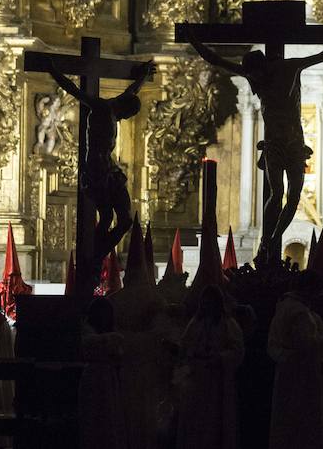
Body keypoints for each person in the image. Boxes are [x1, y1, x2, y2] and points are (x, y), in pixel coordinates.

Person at [190, 40, 323, 265]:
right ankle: (268, 242)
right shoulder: (257, 74)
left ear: (262, 67)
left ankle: (272, 239)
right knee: (277, 194)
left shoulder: (288, 68)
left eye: (254, 75)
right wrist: (193, 41)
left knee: (293, 196)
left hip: (294, 145)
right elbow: (217, 60)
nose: (254, 82)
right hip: (275, 145)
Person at [48, 59, 155, 288]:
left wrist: (143, 76)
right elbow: (73, 89)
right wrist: (53, 71)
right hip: (96, 168)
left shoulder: (116, 108)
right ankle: (94, 259)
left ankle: (97, 254)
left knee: (125, 220)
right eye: (127, 115)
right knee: (106, 216)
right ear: (125, 107)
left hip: (109, 167)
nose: (125, 119)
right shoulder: (101, 107)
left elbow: (132, 90)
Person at [268, 271, 323, 449]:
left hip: (289, 368)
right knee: (302, 419)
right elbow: (307, 344)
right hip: (301, 372)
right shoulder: (299, 312)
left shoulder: (286, 306)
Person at [175, 285, 245, 449]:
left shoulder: (228, 324)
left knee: (215, 421)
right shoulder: (195, 322)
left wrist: (220, 358)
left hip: (216, 381)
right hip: (197, 379)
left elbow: (237, 350)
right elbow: (185, 345)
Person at [79, 298, 126, 449]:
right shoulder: (89, 330)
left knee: (108, 416)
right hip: (96, 376)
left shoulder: (103, 332)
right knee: (95, 416)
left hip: (106, 376)